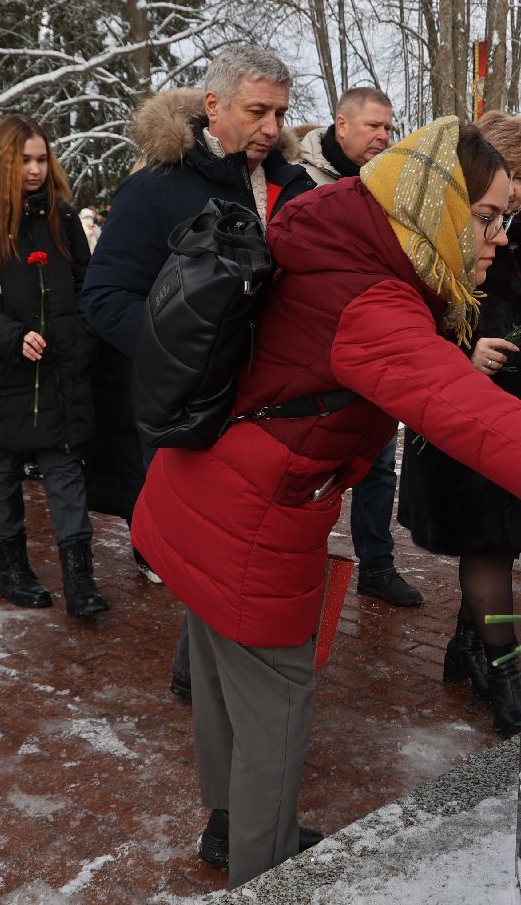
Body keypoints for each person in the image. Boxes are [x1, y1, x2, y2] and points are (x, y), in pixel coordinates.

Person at [130, 118, 521, 888]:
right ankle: (262, 871)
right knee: (277, 704)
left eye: (504, 216)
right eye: (484, 216)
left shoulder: (342, 225)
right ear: (431, 201)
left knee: (224, 677)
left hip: (203, 487)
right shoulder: (370, 298)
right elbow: (477, 416)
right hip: (253, 518)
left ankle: (231, 823)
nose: (497, 235)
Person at [84, 45, 315, 699]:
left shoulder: (295, 187)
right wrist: (182, 356)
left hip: (272, 403)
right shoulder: (156, 188)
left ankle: (220, 670)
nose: (272, 128)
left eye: (281, 113)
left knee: (252, 548)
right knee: (209, 549)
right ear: (214, 107)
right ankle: (203, 677)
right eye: (257, 111)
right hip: (190, 404)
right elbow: (104, 297)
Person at [396, 111, 521, 735]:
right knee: (487, 538)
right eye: (507, 173)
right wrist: (461, 356)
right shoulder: (442, 226)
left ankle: (468, 646)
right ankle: (503, 669)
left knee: (509, 537)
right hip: (459, 408)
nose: (516, 187)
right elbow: (409, 320)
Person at [0, 115, 105, 619]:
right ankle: (12, 571)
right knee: (2, 470)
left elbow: (85, 285)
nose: (34, 170)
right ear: (1, 162)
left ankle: (81, 579)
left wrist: (78, 339)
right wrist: (10, 337)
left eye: (41, 159)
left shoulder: (61, 218)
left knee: (64, 469)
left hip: (57, 370)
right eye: (23, 160)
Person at [292, 87, 420, 606]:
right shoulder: (299, 180)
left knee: (378, 463)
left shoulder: (389, 185)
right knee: (309, 470)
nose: (383, 137)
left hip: (374, 346)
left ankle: (377, 564)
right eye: (373, 126)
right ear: (340, 126)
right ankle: (299, 569)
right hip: (314, 351)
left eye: (389, 128)